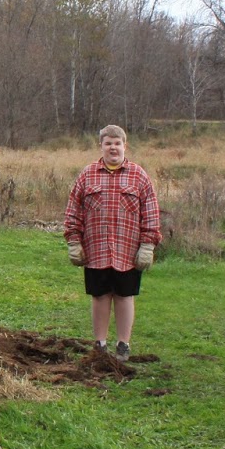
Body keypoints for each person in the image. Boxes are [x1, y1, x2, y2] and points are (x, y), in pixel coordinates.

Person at [63, 124, 162, 360]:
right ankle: (100, 344)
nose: (113, 148)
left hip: (128, 251)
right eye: (108, 143)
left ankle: (123, 345)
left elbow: (150, 212)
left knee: (124, 296)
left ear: (124, 146)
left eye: (117, 143)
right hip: (95, 250)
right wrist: (74, 242)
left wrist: (147, 245)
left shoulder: (139, 175)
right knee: (100, 295)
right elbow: (73, 210)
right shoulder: (87, 175)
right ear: (101, 146)